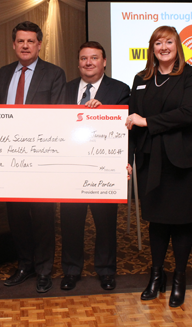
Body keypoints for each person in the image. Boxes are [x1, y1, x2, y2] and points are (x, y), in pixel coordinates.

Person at [125, 26, 192, 307]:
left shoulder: (191, 74)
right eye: (158, 42)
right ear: (152, 47)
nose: (163, 47)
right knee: (157, 220)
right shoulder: (140, 79)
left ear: (178, 45)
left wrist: (149, 122)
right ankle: (156, 275)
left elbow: (189, 113)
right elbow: (130, 122)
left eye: (169, 42)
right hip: (151, 159)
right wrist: (126, 158)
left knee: (182, 221)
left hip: (184, 161)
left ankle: (179, 278)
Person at [0, 21, 66, 293]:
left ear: (39, 44)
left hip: (41, 158)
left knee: (43, 215)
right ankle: (25, 264)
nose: (25, 45)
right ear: (14, 45)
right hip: (10, 158)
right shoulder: (3, 73)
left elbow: (58, 114)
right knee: (17, 215)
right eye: (20, 41)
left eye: (30, 41)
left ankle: (44, 269)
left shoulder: (54, 73)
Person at [60, 41, 130, 291]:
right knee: (70, 222)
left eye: (94, 58)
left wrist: (104, 113)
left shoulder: (120, 89)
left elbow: (125, 127)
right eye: (83, 58)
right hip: (70, 168)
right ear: (78, 63)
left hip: (104, 169)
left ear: (104, 61)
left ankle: (106, 270)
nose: (88, 63)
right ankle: (70, 270)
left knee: (106, 223)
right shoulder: (65, 89)